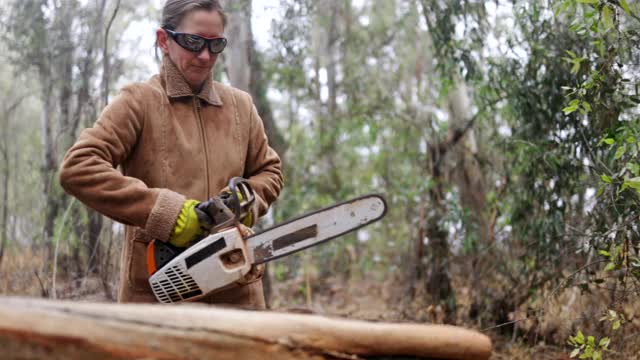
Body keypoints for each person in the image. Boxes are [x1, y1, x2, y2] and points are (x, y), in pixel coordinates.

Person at [59, 0, 283, 309]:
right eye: (193, 42)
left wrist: (244, 201)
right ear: (164, 40)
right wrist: (167, 213)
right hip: (157, 295)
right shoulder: (138, 101)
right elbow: (78, 168)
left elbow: (270, 172)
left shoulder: (240, 107)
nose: (205, 56)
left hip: (237, 291)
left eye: (215, 45)